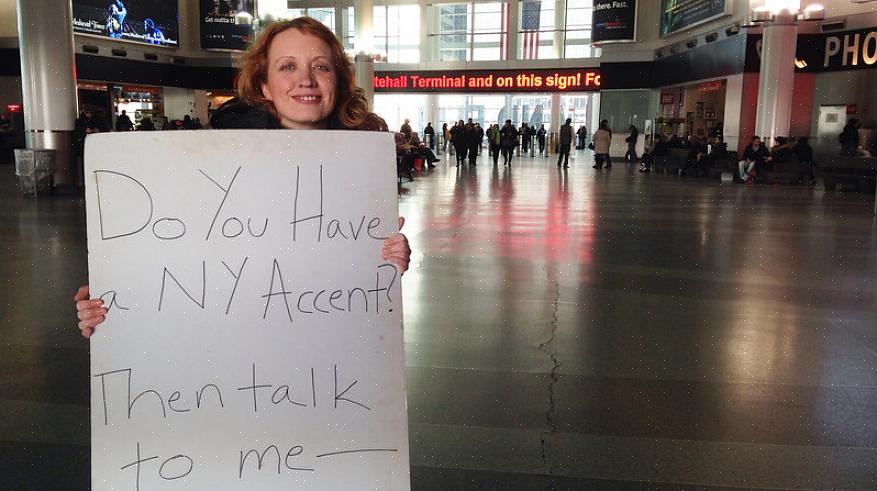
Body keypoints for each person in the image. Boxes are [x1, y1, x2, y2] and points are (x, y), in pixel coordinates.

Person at [75, 17, 411, 337]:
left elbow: (357, 281)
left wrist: (389, 257)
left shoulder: (363, 166)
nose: (306, 80)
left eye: (321, 66)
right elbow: (175, 255)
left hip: (324, 350)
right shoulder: (207, 164)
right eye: (288, 66)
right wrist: (115, 298)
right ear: (265, 85)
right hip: (236, 354)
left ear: (337, 80)